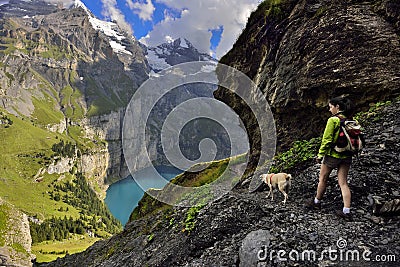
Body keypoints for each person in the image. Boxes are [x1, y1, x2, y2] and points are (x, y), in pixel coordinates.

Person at [305, 96, 355, 220]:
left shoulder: (333, 120)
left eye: (331, 107)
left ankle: (316, 202)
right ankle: (347, 211)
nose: (329, 110)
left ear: (337, 107)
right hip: (347, 155)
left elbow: (326, 140)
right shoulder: (351, 119)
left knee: (323, 178)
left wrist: (320, 154)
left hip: (333, 155)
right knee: (343, 182)